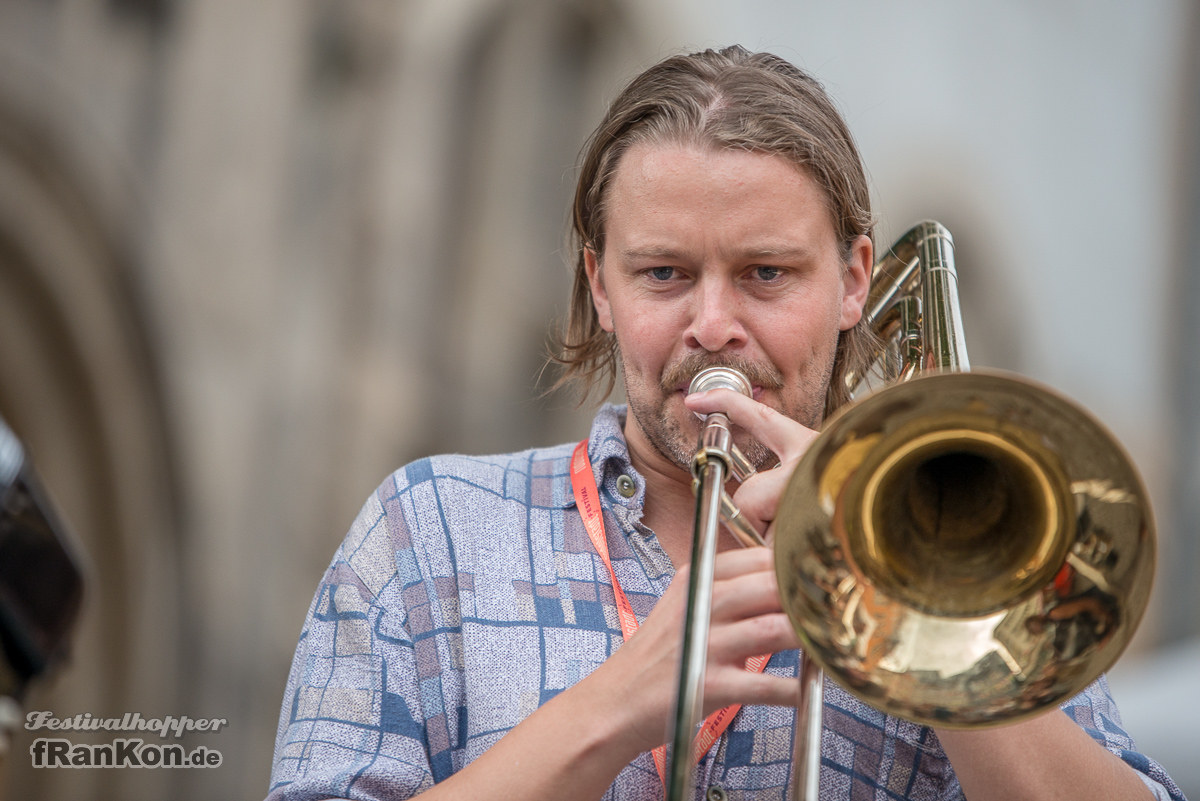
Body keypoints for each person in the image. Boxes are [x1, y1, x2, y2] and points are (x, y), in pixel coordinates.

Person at [265, 46, 1185, 801]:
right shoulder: (428, 527)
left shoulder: (975, 563)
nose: (712, 323)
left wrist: (924, 613)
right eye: (664, 273)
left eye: (766, 274)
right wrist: (616, 705)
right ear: (600, 284)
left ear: (855, 280)